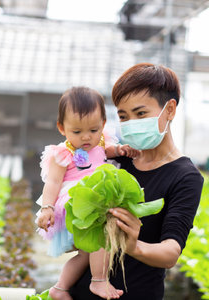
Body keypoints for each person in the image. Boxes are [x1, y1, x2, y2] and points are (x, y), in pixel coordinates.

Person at [69, 63, 204, 300]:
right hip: (82, 292)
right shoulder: (118, 157)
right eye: (123, 116)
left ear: (170, 110)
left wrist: (134, 246)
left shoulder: (185, 176)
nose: (131, 123)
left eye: (140, 114)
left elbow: (171, 251)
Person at [35, 86, 139, 300]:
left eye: (93, 130)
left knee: (86, 253)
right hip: (75, 201)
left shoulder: (101, 141)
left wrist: (120, 150)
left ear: (103, 124)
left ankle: (60, 288)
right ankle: (99, 280)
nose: (86, 138)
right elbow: (52, 182)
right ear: (62, 128)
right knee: (102, 234)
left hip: (93, 200)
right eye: (77, 132)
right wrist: (47, 208)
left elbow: (107, 151)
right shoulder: (63, 152)